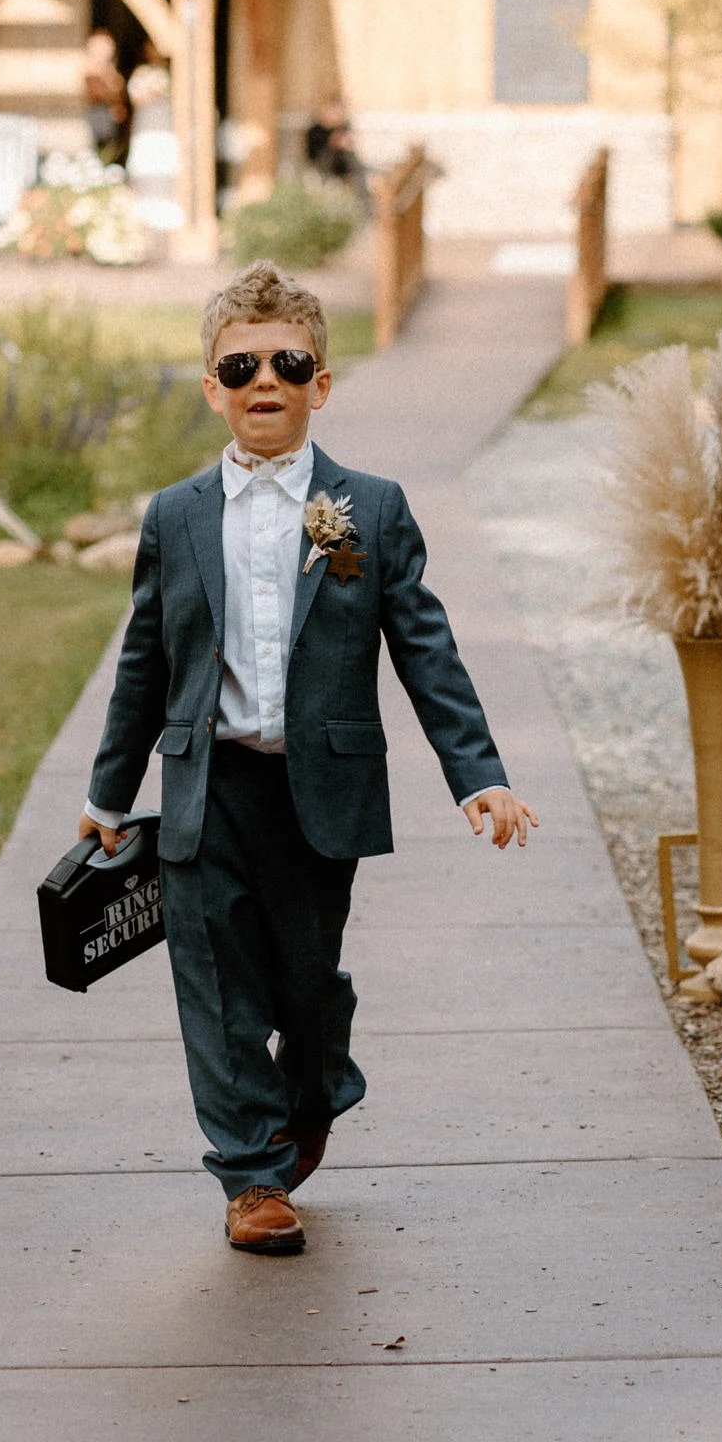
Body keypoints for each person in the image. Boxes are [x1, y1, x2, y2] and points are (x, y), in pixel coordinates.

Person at [80, 259, 537, 1256]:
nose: (263, 380)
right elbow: (144, 661)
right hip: (207, 784)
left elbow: (425, 649)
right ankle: (250, 1174)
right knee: (217, 988)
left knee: (303, 984)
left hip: (317, 790)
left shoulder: (368, 508)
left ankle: (317, 1084)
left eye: (286, 363)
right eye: (239, 365)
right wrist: (107, 795)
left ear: (319, 384)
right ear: (211, 387)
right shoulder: (174, 516)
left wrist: (480, 775)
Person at [82, 29, 130, 168]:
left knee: (111, 150)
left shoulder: (111, 69)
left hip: (112, 118)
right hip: (97, 114)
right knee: (98, 151)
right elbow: (96, 91)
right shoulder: (89, 67)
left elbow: (119, 92)